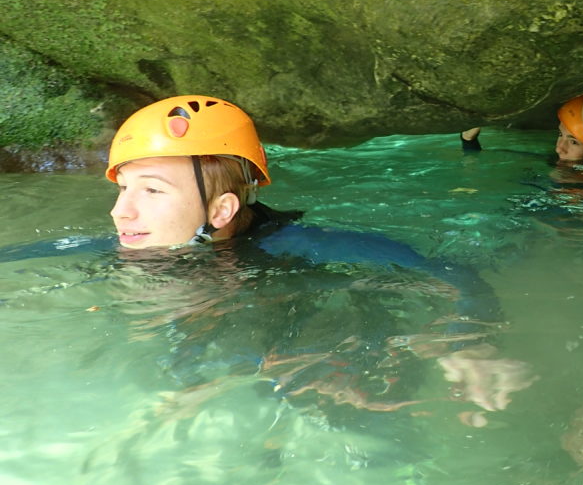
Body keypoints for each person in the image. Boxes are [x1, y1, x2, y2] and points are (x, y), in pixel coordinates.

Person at [103, 94, 534, 420]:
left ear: (221, 211)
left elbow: (450, 273)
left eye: (152, 190)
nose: (121, 211)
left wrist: (466, 340)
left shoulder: (296, 246)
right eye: (123, 188)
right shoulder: (135, 249)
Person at [460, 90, 583, 181]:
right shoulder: (566, 163)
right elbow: (501, 156)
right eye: (560, 135)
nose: (559, 148)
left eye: (574, 142)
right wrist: (469, 141)